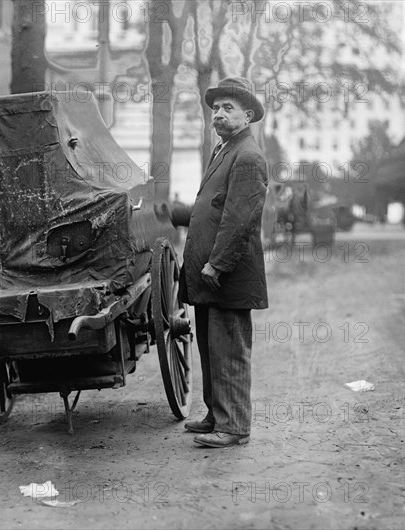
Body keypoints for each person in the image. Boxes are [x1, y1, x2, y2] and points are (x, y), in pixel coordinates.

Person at [174, 77, 269, 448]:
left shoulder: (247, 156)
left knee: (229, 350)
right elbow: (213, 208)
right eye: (215, 108)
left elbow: (239, 219)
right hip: (207, 275)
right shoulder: (225, 151)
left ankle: (234, 427)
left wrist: (217, 264)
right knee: (212, 349)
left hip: (225, 274)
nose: (219, 113)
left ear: (248, 115)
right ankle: (217, 414)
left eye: (228, 107)